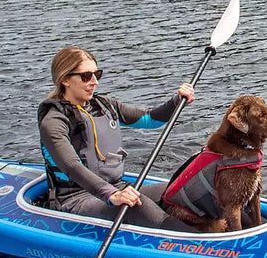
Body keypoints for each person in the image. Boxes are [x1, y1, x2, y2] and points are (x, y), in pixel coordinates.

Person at [38, 46, 195, 230]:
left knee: (181, 188)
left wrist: (176, 101)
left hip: (116, 186)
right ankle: (197, 244)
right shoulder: (53, 121)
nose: (94, 82)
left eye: (97, 74)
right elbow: (71, 166)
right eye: (86, 76)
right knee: (134, 206)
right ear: (65, 79)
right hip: (76, 198)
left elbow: (150, 119)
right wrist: (111, 194)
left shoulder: (104, 105)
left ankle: (219, 229)